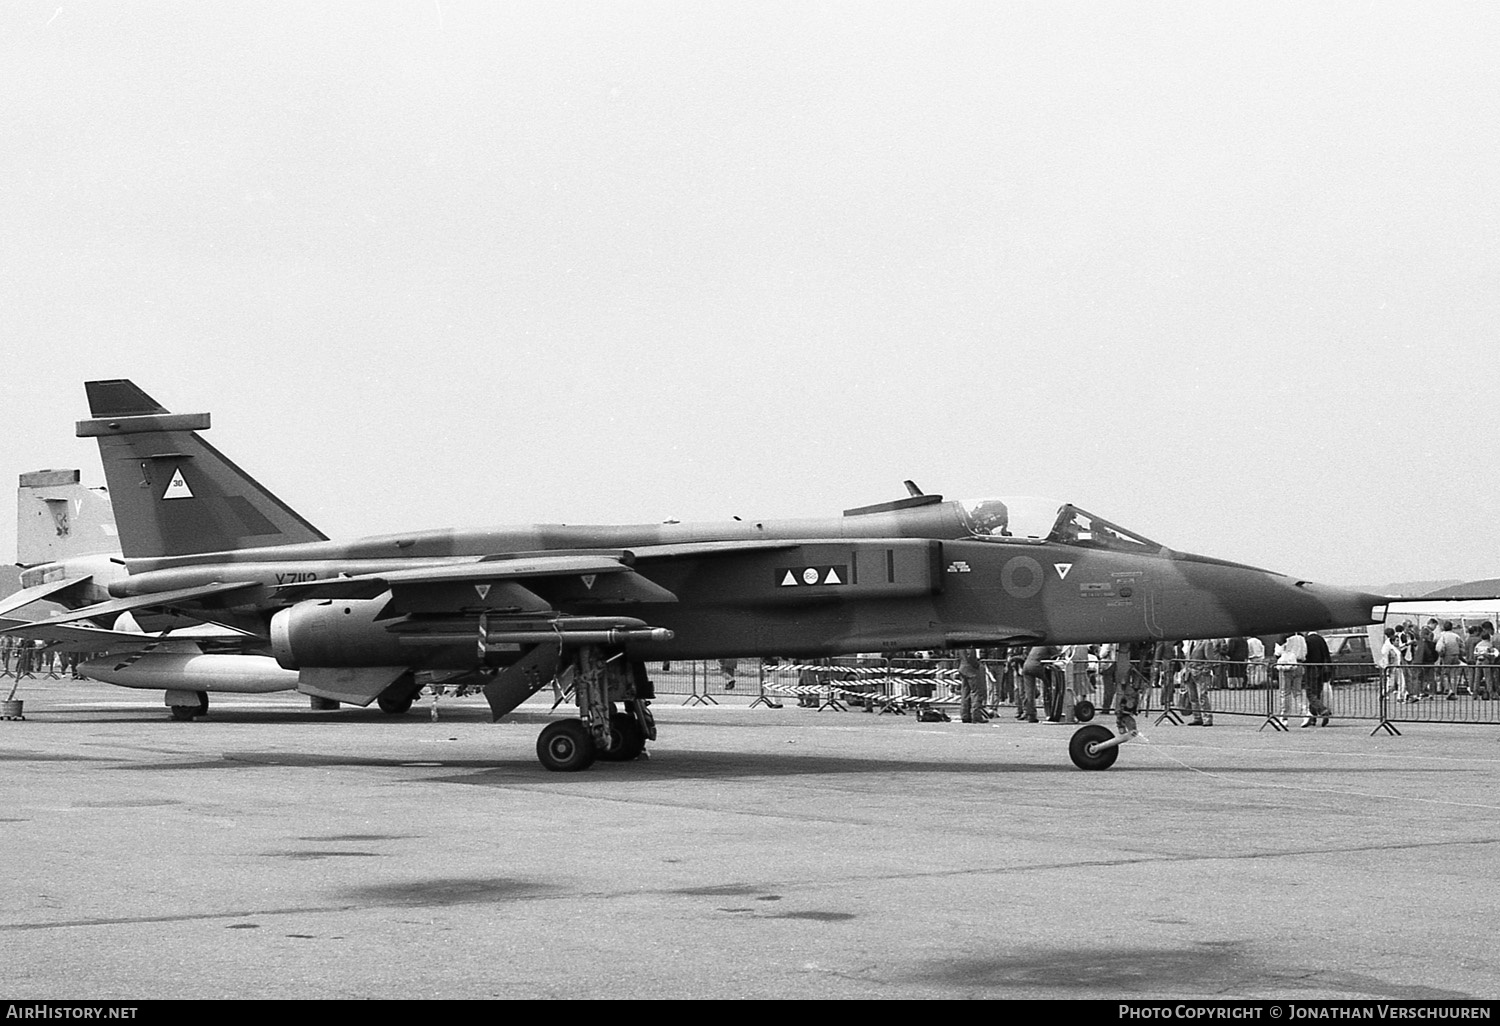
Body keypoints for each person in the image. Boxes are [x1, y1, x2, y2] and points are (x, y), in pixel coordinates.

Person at [1183, 638, 1217, 726]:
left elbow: (1210, 658)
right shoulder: (1191, 642)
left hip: (1200, 673)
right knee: (1192, 697)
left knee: (1202, 696)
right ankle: (1197, 717)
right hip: (1189, 672)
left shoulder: (1206, 642)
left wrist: (1205, 669)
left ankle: (1207, 718)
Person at [1276, 632, 1307, 728]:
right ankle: (1305, 712)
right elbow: (1305, 651)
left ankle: (1284, 717)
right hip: (1299, 664)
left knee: (1285, 692)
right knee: (1298, 692)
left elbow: (1278, 652)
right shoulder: (1301, 637)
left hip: (1287, 665)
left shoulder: (1284, 636)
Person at [1303, 631, 1332, 727]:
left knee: (1310, 693)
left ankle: (1322, 710)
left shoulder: (1308, 640)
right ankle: (1313, 717)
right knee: (1317, 693)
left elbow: (1306, 655)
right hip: (1322, 668)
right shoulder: (1321, 639)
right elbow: (1327, 654)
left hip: (1311, 668)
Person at [957, 648, 987, 723]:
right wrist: (977, 665)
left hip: (963, 667)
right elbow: (970, 655)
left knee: (965, 693)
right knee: (976, 692)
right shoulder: (970, 644)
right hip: (971, 669)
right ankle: (976, 715)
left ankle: (965, 715)